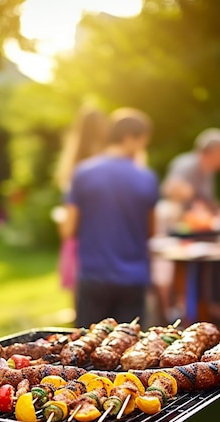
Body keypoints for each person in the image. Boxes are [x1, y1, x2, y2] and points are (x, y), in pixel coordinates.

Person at [63, 107, 160, 327]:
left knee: (85, 349)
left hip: (93, 275)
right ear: (130, 138)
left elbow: (68, 229)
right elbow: (152, 230)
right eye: (143, 141)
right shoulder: (146, 177)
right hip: (133, 278)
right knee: (130, 351)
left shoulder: (83, 172)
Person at [159, 128, 220, 322]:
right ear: (213, 151)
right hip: (178, 231)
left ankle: (207, 309)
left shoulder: (208, 171)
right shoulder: (187, 164)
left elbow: (207, 201)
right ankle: (176, 313)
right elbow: (170, 188)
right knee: (176, 274)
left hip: (195, 231)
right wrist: (190, 198)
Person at [53, 107, 110, 305]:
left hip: (80, 238)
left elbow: (69, 220)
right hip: (104, 236)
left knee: (84, 301)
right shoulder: (109, 158)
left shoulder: (74, 163)